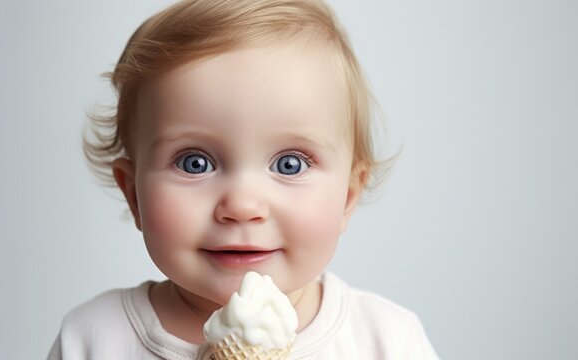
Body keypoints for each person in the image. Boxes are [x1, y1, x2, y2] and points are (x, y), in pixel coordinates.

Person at [47, 0, 439, 358]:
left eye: (290, 164)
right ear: (133, 194)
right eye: (194, 163)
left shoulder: (387, 340)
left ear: (348, 197)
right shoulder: (93, 338)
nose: (242, 206)